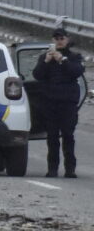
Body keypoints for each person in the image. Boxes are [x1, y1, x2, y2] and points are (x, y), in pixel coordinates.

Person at [29, 27, 85, 178]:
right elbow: (37, 75)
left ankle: (70, 169)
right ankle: (52, 168)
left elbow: (77, 71)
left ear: (67, 40)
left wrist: (62, 59)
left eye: (62, 38)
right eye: (56, 39)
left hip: (67, 103)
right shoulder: (45, 58)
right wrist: (47, 61)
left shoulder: (74, 57)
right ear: (52, 41)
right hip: (50, 102)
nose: (59, 41)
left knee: (68, 135)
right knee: (52, 137)